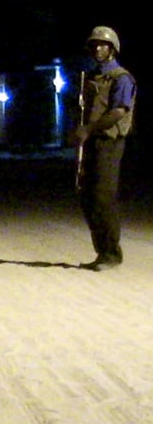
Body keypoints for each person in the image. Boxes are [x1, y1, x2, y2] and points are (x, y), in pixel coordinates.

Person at [70, 26, 137, 272]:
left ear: (112, 48)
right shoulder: (92, 77)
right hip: (92, 142)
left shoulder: (121, 78)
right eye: (95, 45)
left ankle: (111, 254)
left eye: (103, 45)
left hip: (109, 142)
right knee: (88, 198)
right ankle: (102, 252)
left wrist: (89, 128)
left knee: (103, 198)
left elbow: (119, 111)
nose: (98, 48)